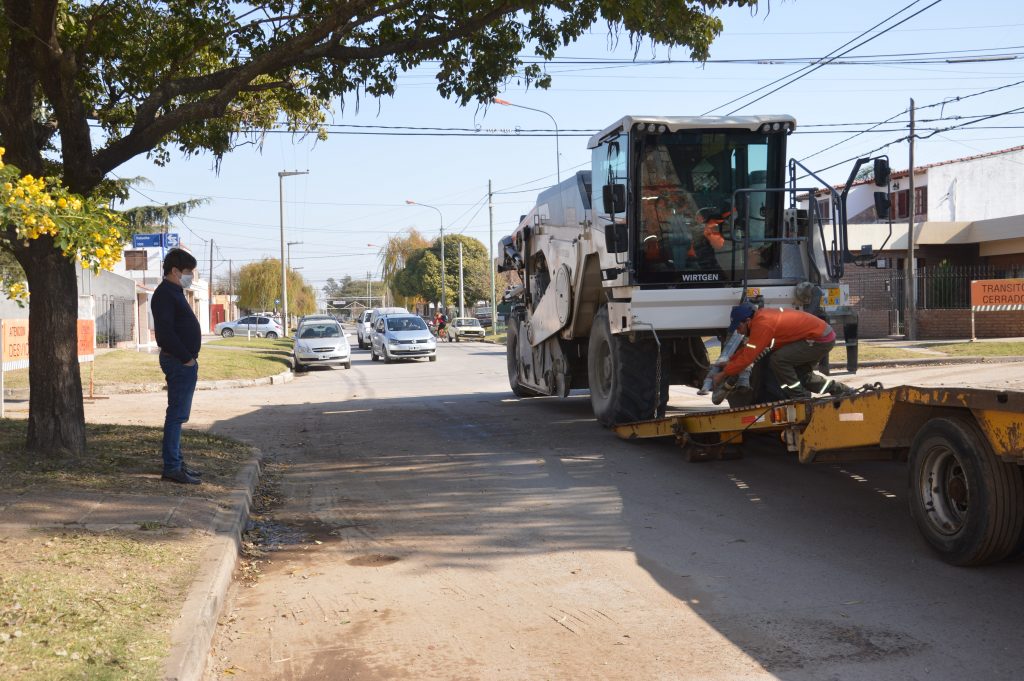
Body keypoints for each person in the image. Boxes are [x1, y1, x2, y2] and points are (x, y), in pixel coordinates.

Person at [712, 302, 852, 401]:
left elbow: (748, 357)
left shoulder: (762, 325)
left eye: (738, 326)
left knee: (779, 360)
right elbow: (748, 349)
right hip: (819, 337)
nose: (737, 330)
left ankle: (798, 397)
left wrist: (723, 374)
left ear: (747, 321)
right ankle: (841, 390)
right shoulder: (760, 320)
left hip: (818, 339)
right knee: (803, 376)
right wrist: (730, 361)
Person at [152, 248, 203, 485]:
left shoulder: (175, 291)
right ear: (174, 271)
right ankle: (172, 467)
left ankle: (178, 463)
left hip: (183, 360)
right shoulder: (164, 294)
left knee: (178, 416)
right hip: (178, 361)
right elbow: (166, 333)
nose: (191, 276)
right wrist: (186, 358)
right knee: (176, 416)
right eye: (188, 272)